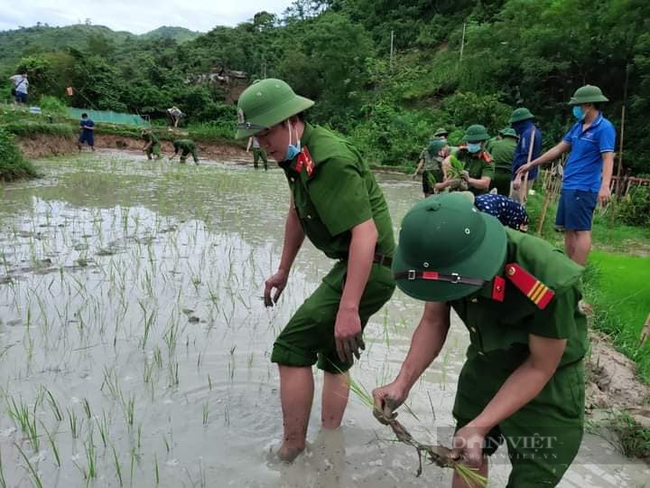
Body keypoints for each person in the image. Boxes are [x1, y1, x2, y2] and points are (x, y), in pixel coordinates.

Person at [373, 193, 588, 488]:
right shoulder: (442, 257)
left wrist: (481, 424)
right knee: (468, 453)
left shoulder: (546, 277)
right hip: (487, 361)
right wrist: (402, 383)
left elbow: (540, 366)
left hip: (547, 382)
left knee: (534, 474)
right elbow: (434, 320)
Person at [235, 78, 395, 462]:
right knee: (335, 353)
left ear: (290, 119)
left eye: (266, 133)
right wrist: (283, 271)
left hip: (370, 264)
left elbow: (365, 233)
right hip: (360, 264)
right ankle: (330, 440)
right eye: (255, 137)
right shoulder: (294, 154)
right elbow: (297, 211)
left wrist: (348, 307)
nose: (262, 144)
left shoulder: (330, 159)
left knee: (292, 348)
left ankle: (291, 449)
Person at [516, 85, 615, 265]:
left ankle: (575, 275)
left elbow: (608, 158)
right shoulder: (578, 126)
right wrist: (532, 164)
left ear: (589, 104)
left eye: (578, 105)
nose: (575, 109)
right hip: (569, 184)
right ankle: (568, 267)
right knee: (569, 229)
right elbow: (559, 148)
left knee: (582, 230)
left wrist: (605, 185)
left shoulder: (604, 128)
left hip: (585, 187)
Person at [510, 108, 542, 203]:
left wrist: (519, 176)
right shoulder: (535, 131)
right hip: (529, 173)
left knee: (515, 203)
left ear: (520, 122)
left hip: (523, 176)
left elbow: (525, 156)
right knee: (521, 202)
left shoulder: (527, 134)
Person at [454, 125, 495, 196]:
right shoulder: (461, 152)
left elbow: (485, 183)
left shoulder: (487, 160)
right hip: (459, 192)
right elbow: (448, 161)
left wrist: (469, 179)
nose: (471, 144)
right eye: (469, 142)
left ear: (483, 143)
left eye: (474, 142)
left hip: (477, 194)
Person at [485, 128, 518, 196]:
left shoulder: (494, 144)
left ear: (504, 136)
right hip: (508, 176)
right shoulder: (517, 148)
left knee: (486, 195)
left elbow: (486, 157)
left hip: (493, 174)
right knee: (503, 197)